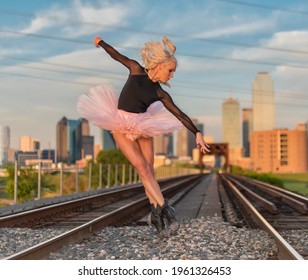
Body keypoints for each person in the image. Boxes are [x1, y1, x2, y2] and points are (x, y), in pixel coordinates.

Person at [77, 35, 210, 237]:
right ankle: (166, 209)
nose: (172, 75)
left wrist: (197, 133)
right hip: (121, 124)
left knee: (150, 171)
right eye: (171, 70)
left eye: (174, 71)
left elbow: (180, 114)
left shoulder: (160, 93)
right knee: (142, 169)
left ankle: (156, 214)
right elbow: (116, 55)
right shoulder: (136, 69)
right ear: (160, 65)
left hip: (142, 125)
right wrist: (101, 43)